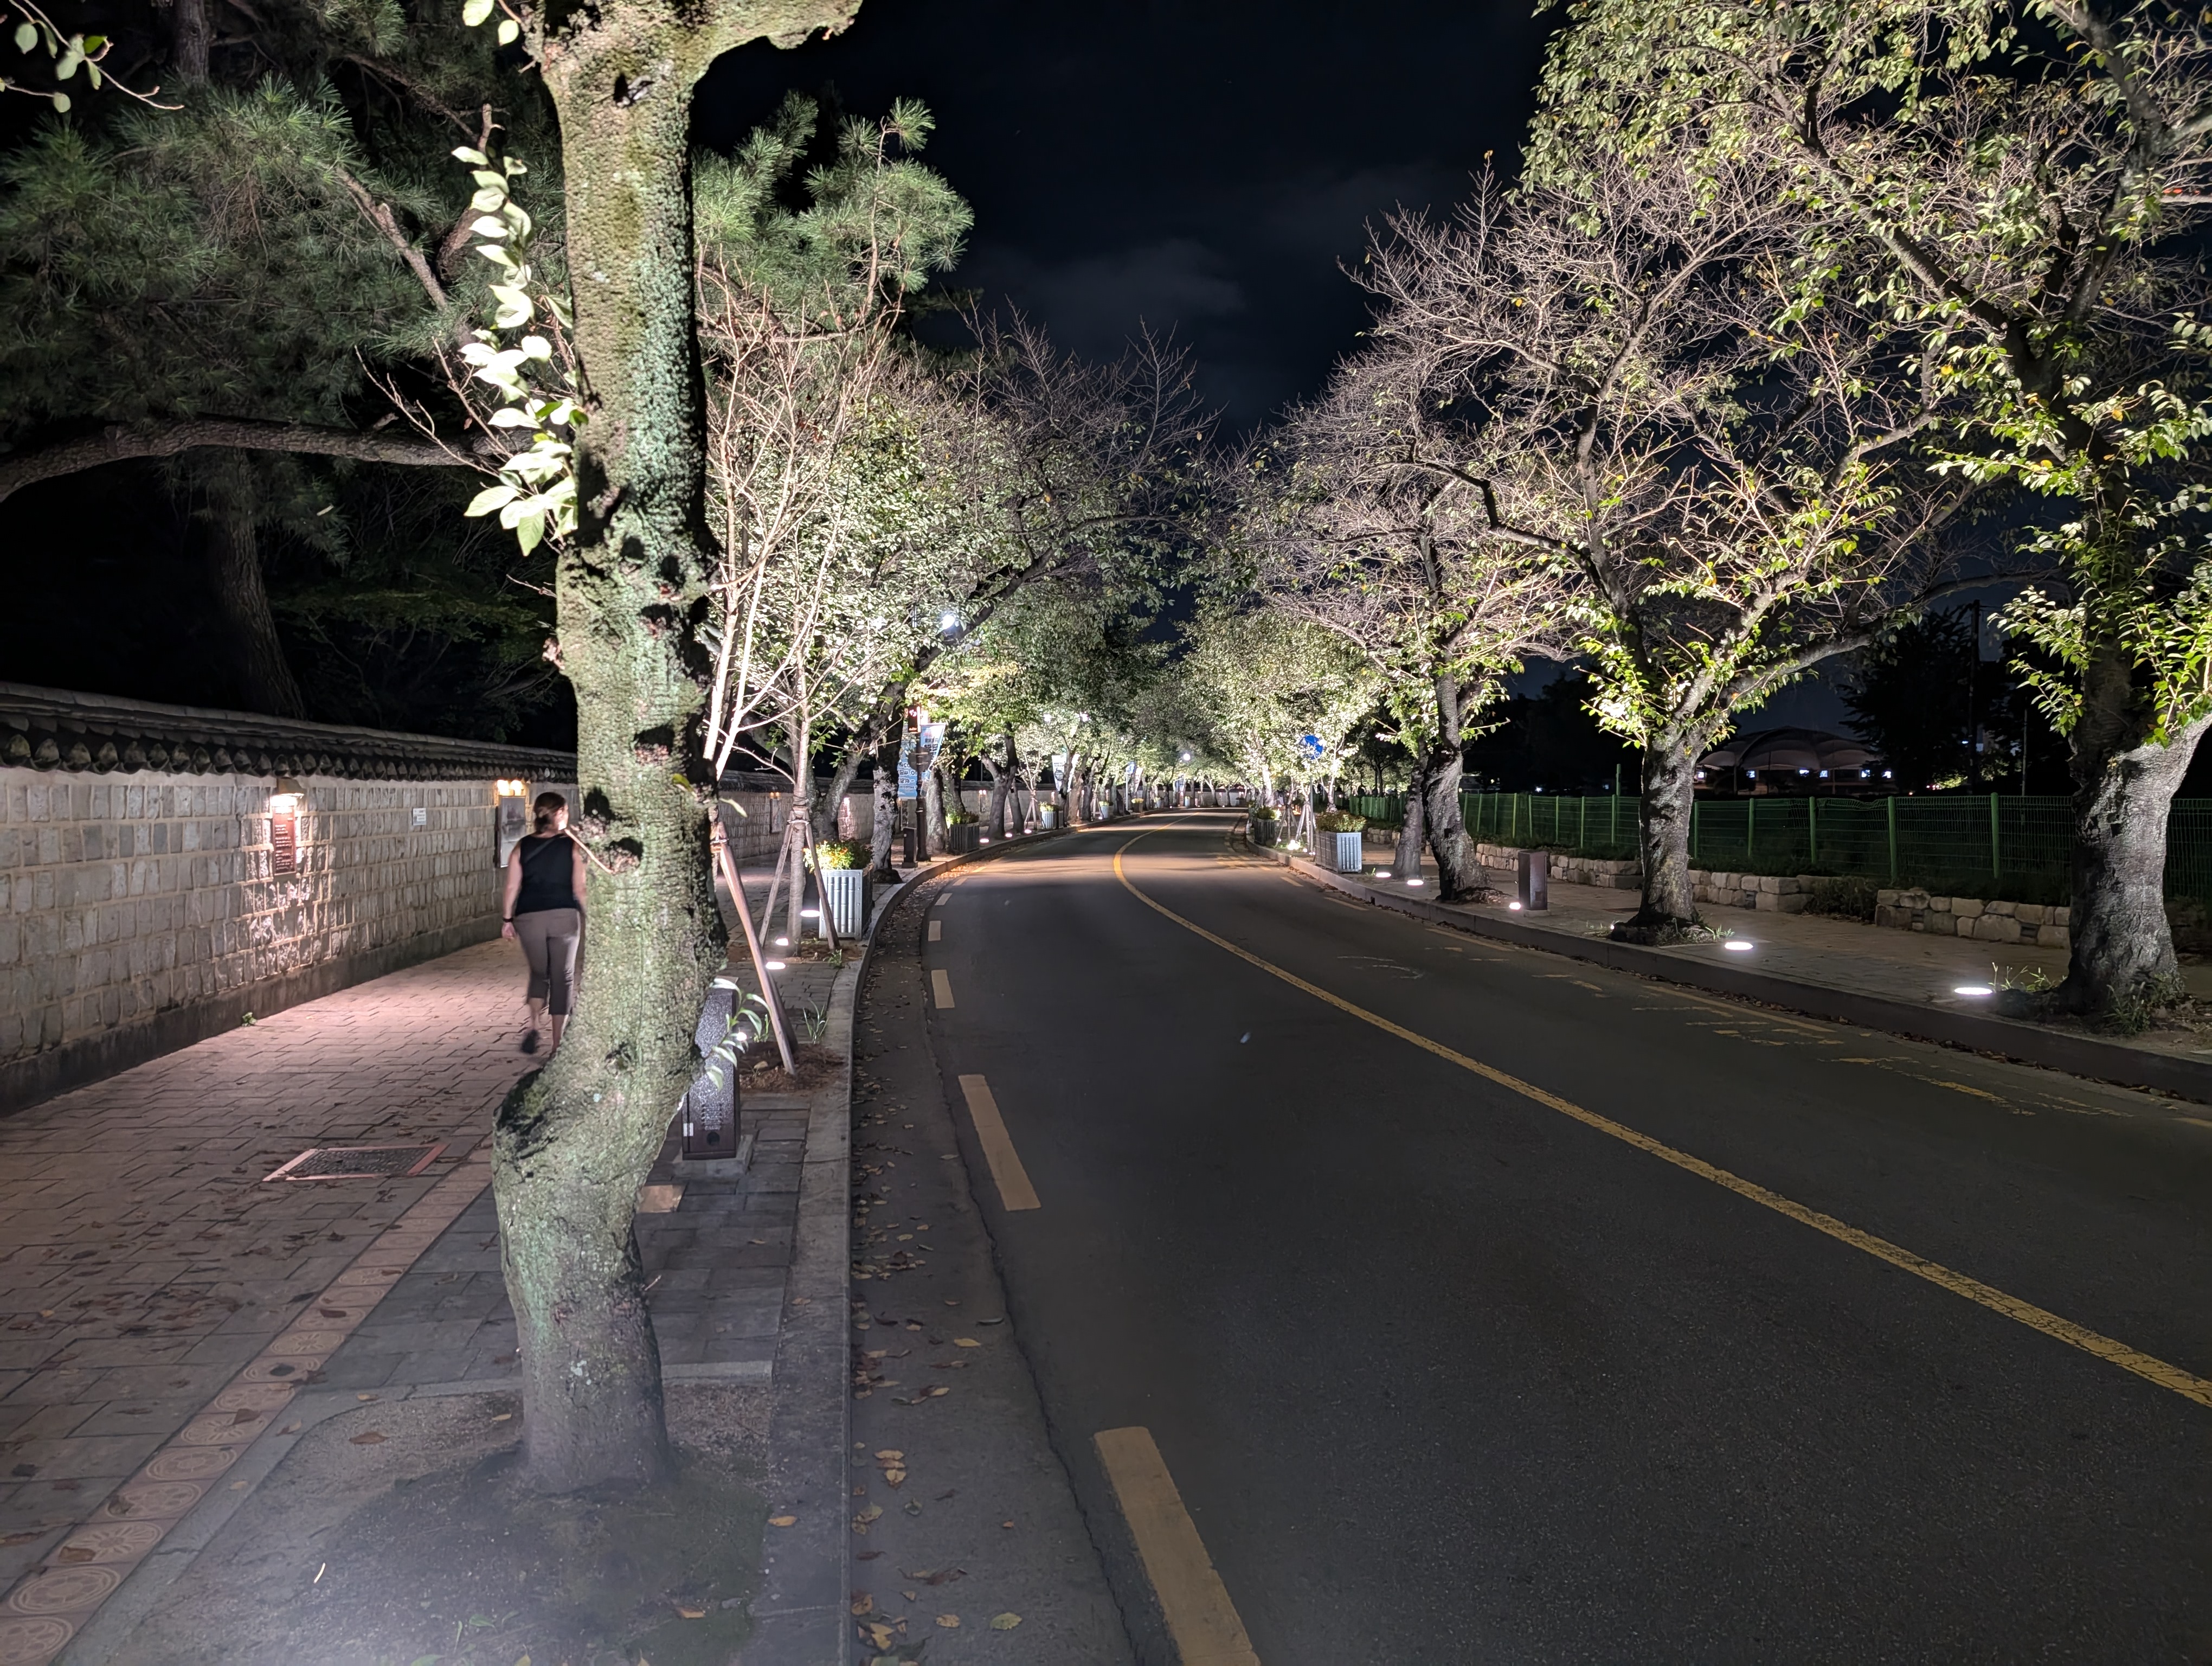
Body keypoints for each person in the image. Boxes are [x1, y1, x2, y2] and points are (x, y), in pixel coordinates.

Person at [500, 792, 586, 1054]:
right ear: (559, 813)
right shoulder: (572, 846)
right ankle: (557, 1043)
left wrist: (507, 919)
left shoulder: (522, 846)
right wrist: (591, 915)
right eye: (566, 811)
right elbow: (580, 888)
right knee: (563, 977)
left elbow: (512, 886)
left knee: (540, 973)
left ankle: (534, 1025)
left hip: (529, 917)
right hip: (564, 916)